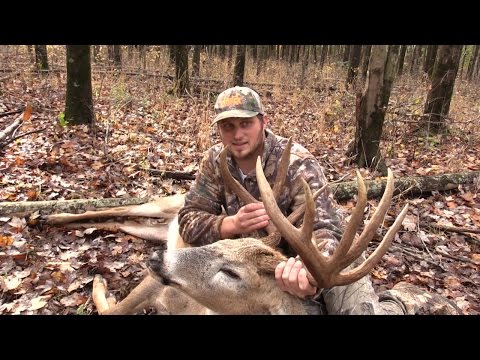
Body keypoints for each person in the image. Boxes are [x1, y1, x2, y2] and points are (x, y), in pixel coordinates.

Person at [178, 86, 460, 315]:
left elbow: (326, 229)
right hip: (252, 272)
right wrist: (229, 224)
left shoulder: (298, 163)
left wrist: (309, 270)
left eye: (245, 124)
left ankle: (401, 302)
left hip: (307, 264)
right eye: (228, 126)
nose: (237, 135)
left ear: (264, 122)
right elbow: (189, 219)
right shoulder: (216, 161)